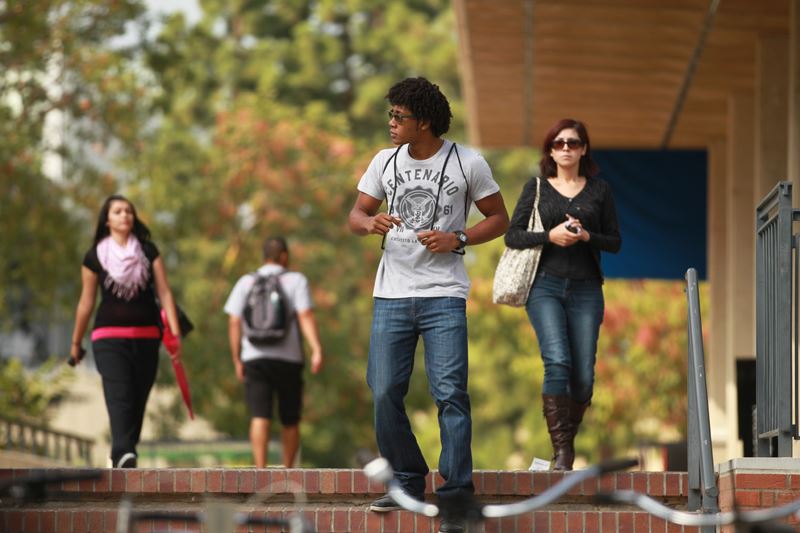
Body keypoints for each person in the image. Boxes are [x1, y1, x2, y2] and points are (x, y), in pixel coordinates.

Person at [348, 77, 509, 533]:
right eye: (391, 115)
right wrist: (369, 222)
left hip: (444, 294)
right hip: (392, 294)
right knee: (382, 389)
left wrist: (458, 236)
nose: (391, 123)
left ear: (425, 122)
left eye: (400, 116)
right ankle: (407, 479)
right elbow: (355, 215)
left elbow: (499, 216)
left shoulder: (467, 162)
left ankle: (456, 496)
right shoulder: (384, 161)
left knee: (450, 394)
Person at [504, 118, 621, 471]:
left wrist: (586, 236)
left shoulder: (600, 191)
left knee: (583, 376)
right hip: (545, 286)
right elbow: (513, 236)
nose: (566, 148)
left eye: (572, 143)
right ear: (550, 150)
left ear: (584, 148)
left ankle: (566, 441)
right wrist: (549, 235)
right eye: (559, 143)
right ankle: (563, 454)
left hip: (586, 288)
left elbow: (615, 242)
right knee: (557, 361)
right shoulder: (537, 187)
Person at [69, 194, 183, 468]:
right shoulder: (95, 255)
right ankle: (123, 451)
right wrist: (75, 343)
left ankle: (122, 452)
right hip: (108, 339)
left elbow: (165, 292)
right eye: (118, 211)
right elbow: (86, 303)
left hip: (147, 338)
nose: (125, 216)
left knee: (138, 398)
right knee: (119, 394)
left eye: (129, 211)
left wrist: (175, 334)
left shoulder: (148, 251)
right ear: (106, 220)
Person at [224, 237, 323, 468]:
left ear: (264, 256)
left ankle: (261, 471)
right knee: (290, 419)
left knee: (260, 416)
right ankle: (289, 472)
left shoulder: (245, 282)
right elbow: (305, 315)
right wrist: (316, 348)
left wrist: (236, 358)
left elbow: (233, 321)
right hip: (289, 358)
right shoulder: (295, 280)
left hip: (254, 357)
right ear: (285, 256)